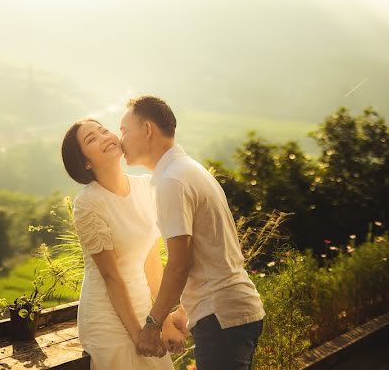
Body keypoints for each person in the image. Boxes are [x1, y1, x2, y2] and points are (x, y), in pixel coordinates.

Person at [121, 96, 265, 369]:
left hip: (221, 319)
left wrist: (153, 325)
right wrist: (184, 312)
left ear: (148, 130)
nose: (120, 140)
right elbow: (209, 252)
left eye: (125, 130)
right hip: (234, 313)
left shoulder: (173, 180)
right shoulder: (188, 169)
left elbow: (179, 264)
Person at [61, 118, 186, 369]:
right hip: (105, 317)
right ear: (85, 162)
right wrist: (138, 334)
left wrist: (163, 319)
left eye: (104, 130)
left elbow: (152, 261)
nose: (104, 136)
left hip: (144, 307)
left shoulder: (144, 187)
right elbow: (110, 276)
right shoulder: (88, 203)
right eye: (91, 139)